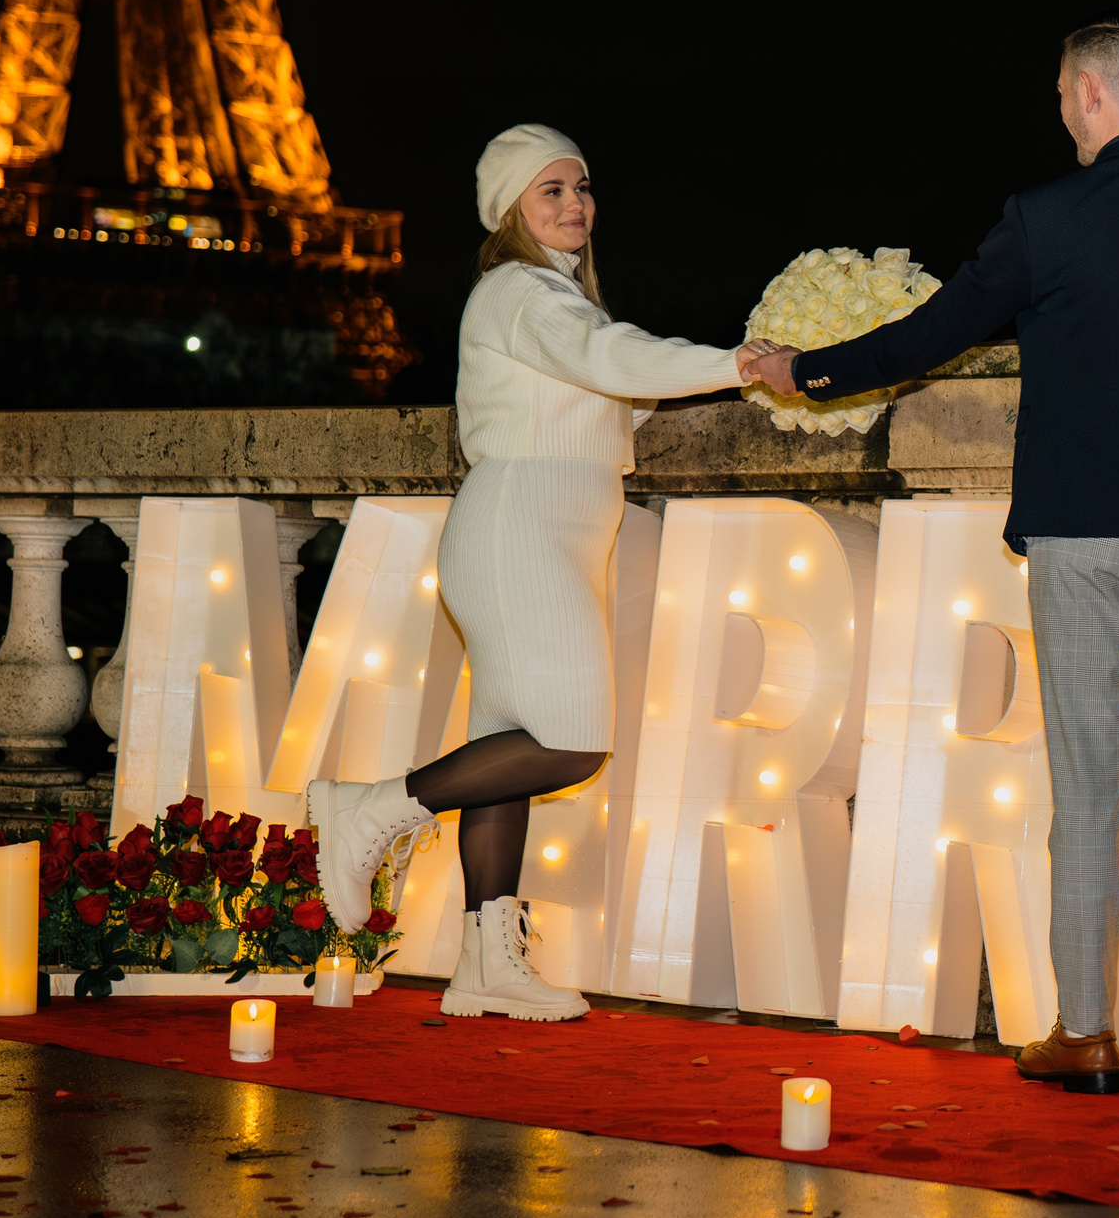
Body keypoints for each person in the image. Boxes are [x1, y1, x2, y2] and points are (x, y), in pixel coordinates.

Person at [745, 20, 1119, 1103]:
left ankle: (1086, 1034)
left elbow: (929, 336)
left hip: (1080, 528)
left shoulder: (1045, 218)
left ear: (1087, 94)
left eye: (1060, 97)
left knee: (1084, 780)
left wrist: (807, 371)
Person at [309, 124, 773, 1022]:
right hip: (518, 533)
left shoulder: (557, 300)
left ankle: (486, 962)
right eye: (551, 190)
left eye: (583, 186)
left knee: (511, 757)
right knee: (572, 740)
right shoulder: (519, 292)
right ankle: (368, 808)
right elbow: (612, 360)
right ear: (510, 209)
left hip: (545, 535)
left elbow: (609, 381)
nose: (575, 203)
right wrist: (739, 362)